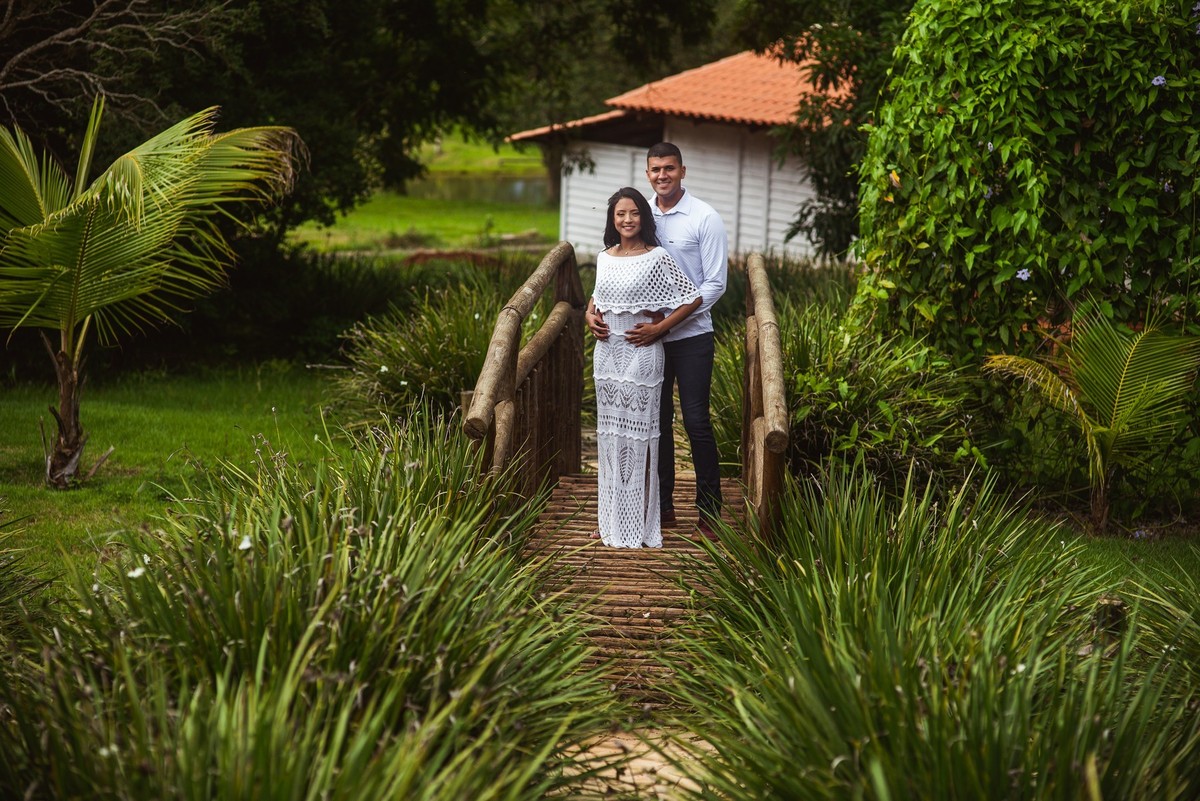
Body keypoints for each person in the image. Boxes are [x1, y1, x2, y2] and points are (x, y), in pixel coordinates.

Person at [586, 187, 701, 548]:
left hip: (643, 353)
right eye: (620, 214)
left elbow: (692, 297)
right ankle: (609, 520)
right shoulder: (605, 257)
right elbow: (597, 299)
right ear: (613, 219)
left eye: (634, 213)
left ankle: (641, 520)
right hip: (607, 353)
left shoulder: (657, 257)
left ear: (643, 217)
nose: (627, 220)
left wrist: (660, 329)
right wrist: (588, 316)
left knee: (642, 437)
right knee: (610, 439)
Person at [644, 142, 728, 537]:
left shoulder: (704, 217)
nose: (663, 175)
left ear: (683, 171)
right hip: (651, 339)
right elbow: (617, 257)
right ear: (648, 173)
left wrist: (670, 323)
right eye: (656, 169)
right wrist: (595, 307)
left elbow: (715, 285)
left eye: (670, 169)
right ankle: (663, 509)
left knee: (696, 422)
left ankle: (709, 512)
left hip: (693, 336)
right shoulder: (641, 215)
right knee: (657, 423)